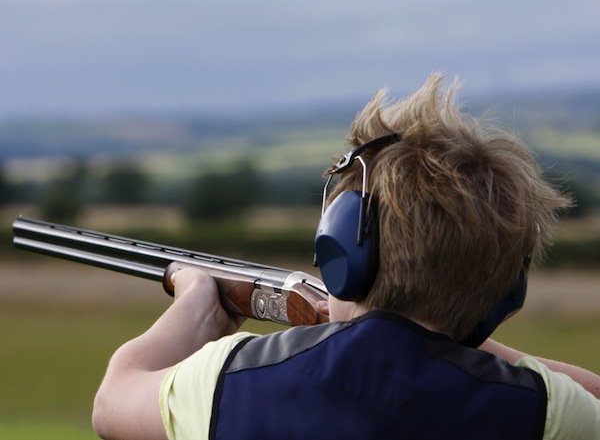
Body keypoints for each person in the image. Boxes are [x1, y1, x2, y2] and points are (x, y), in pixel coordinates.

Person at [92, 74, 600, 440]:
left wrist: (195, 303)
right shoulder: (544, 410)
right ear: (506, 293)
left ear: (343, 253)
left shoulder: (231, 376)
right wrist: (454, 331)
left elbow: (113, 401)